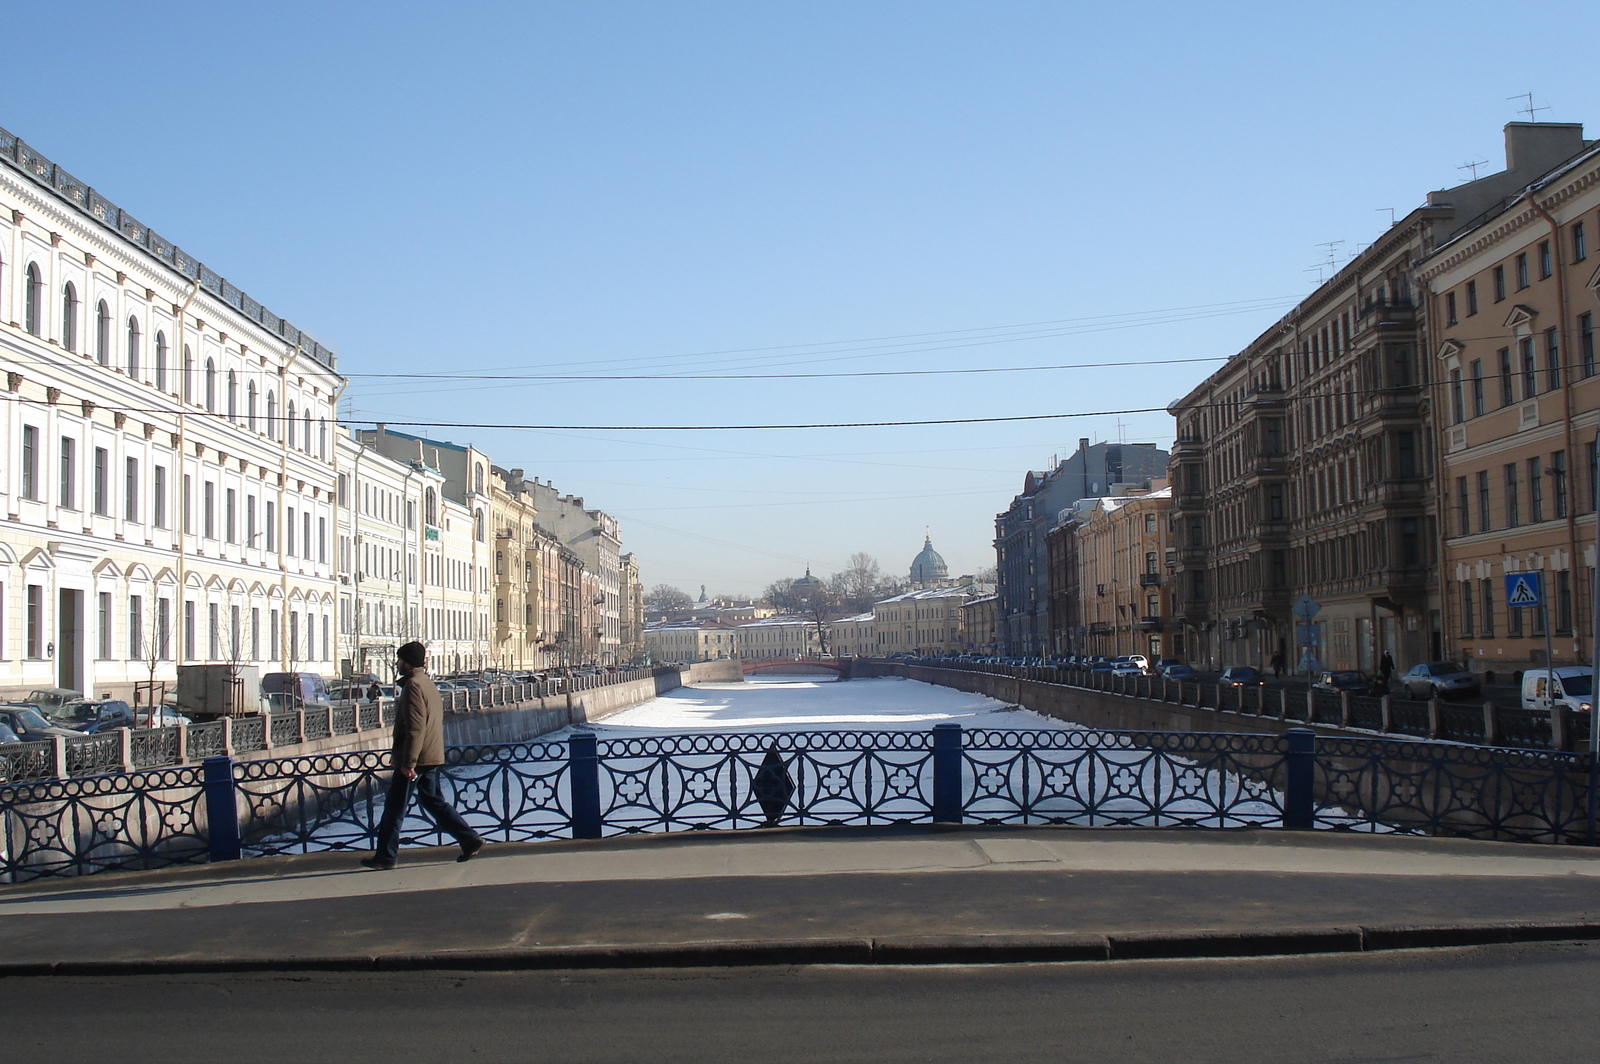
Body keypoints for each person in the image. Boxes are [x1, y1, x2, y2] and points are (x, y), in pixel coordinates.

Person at [361, 641, 484, 871]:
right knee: (434, 801)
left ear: (407, 663)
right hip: (430, 754)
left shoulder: (413, 687)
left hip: (417, 759)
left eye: (399, 660)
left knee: (395, 807)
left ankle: (386, 856)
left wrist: (409, 763)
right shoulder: (427, 683)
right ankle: (469, 839)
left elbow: (415, 728)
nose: (397, 663)